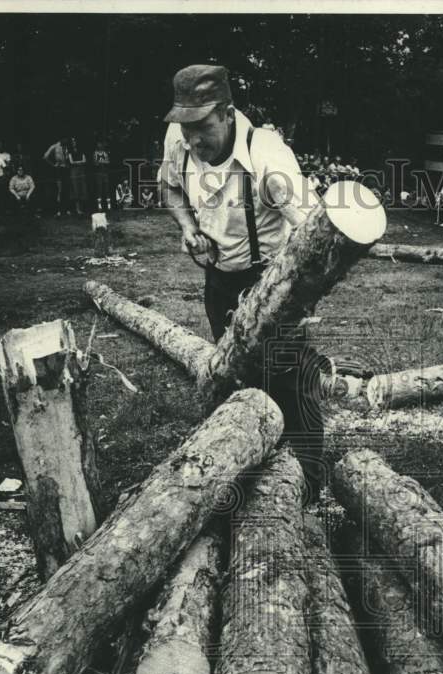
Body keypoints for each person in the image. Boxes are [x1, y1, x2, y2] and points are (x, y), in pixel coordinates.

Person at [159, 63, 324, 496]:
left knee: (290, 378)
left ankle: (306, 480)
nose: (193, 139)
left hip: (271, 281)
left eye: (203, 128)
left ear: (228, 114)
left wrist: (293, 294)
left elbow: (313, 230)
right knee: (236, 375)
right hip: (220, 282)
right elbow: (171, 189)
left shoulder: (267, 154)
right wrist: (188, 228)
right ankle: (252, 472)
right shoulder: (178, 138)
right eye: (186, 127)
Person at [43, 138, 70, 217]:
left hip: (66, 169)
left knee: (67, 189)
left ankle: (67, 209)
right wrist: (53, 164)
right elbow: (45, 157)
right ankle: (59, 210)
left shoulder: (67, 146)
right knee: (59, 189)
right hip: (58, 170)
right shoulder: (54, 146)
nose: (65, 140)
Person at [67, 138, 88, 216]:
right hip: (74, 172)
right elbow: (71, 162)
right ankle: (77, 209)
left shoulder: (81, 151)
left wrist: (77, 162)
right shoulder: (70, 152)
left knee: (82, 189)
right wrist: (80, 162)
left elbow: (85, 160)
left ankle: (82, 208)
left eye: (75, 141)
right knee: (75, 190)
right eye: (72, 141)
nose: (74, 143)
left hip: (81, 171)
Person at [91, 135, 112, 211]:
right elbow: (95, 163)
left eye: (101, 143)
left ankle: (109, 205)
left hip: (105, 173)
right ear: (97, 144)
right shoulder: (95, 153)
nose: (100, 145)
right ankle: (99, 205)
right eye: (99, 143)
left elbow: (108, 162)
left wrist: (101, 162)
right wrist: (103, 162)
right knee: (99, 189)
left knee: (107, 189)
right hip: (98, 173)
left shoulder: (105, 153)